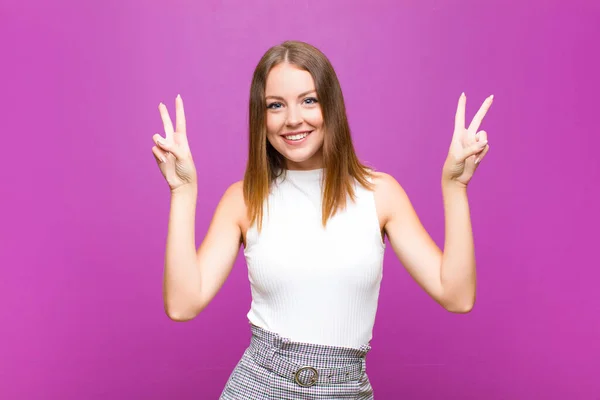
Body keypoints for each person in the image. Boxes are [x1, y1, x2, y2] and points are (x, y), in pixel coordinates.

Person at [151, 40, 493, 399]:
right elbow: (182, 303)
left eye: (308, 100)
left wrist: (454, 186)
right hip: (259, 386)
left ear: (331, 105)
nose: (293, 119)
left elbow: (456, 295)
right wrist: (182, 190)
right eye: (275, 105)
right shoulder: (244, 199)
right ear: (260, 116)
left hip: (346, 389)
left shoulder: (380, 194)